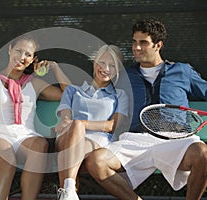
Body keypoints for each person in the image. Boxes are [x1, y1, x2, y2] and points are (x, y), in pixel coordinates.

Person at [85, 19, 207, 200]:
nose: (136, 47)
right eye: (134, 42)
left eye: (143, 43)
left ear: (158, 45)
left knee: (203, 154)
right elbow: (92, 89)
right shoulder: (124, 75)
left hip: (176, 139)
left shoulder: (182, 71)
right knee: (96, 162)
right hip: (135, 140)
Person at [0, 35, 70, 200]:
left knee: (41, 145)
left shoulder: (34, 83)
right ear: (10, 50)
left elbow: (69, 94)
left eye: (28, 54)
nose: (22, 57)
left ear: (34, 59)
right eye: (18, 51)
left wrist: (55, 68)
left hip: (25, 136)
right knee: (8, 158)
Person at [55, 44, 130, 200]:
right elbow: (65, 117)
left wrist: (81, 123)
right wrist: (70, 123)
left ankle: (67, 190)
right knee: (72, 135)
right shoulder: (72, 90)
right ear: (94, 63)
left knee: (67, 150)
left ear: (117, 71)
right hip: (67, 136)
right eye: (102, 63)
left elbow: (111, 126)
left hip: (98, 141)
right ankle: (69, 190)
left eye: (112, 65)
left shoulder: (120, 95)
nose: (106, 68)